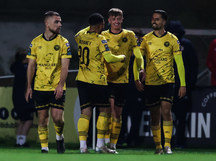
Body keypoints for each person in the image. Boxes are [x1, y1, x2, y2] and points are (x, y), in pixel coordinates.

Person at [134, 10, 186, 154]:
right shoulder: (146, 39)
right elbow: (139, 58)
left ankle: (167, 145)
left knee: (166, 111)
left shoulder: (172, 39)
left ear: (164, 22)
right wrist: (140, 71)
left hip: (167, 82)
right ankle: (158, 146)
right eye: (152, 19)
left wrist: (183, 84)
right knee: (154, 115)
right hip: (150, 82)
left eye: (157, 19)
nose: (154, 21)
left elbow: (179, 63)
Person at [74, 13, 126, 153]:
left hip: (82, 80)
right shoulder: (100, 39)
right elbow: (109, 58)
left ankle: (83, 146)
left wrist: (91, 25)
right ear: (99, 25)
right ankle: (100, 145)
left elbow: (78, 33)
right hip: (97, 80)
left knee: (85, 112)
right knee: (104, 111)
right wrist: (122, 57)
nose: (104, 27)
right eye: (102, 24)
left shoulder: (80, 37)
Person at [25, 11, 72, 153]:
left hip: (56, 86)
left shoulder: (64, 42)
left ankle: (59, 136)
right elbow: (31, 66)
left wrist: (60, 85)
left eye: (60, 22)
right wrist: (29, 86)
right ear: (47, 23)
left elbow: (65, 67)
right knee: (42, 118)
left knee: (58, 118)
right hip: (40, 86)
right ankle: (44, 148)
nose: (60, 24)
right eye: (56, 22)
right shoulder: (35, 42)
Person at [101, 8, 144, 153]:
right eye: (114, 19)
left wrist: (141, 67)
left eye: (119, 19)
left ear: (122, 19)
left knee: (118, 115)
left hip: (123, 80)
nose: (116, 22)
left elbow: (138, 54)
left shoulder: (129, 35)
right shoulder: (103, 35)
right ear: (109, 20)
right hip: (107, 79)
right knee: (109, 112)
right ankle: (104, 143)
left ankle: (113, 145)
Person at [166, 20, 198, 148]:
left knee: (181, 117)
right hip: (168, 87)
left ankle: (180, 141)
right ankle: (167, 142)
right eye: (172, 31)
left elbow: (193, 66)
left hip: (182, 87)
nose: (174, 34)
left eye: (176, 32)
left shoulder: (187, 45)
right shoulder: (165, 45)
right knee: (166, 115)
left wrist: (189, 84)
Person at [10, 49, 35, 147]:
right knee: (28, 119)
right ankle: (22, 141)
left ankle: (18, 141)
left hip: (16, 97)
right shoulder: (27, 68)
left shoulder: (16, 67)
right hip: (25, 96)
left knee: (22, 120)